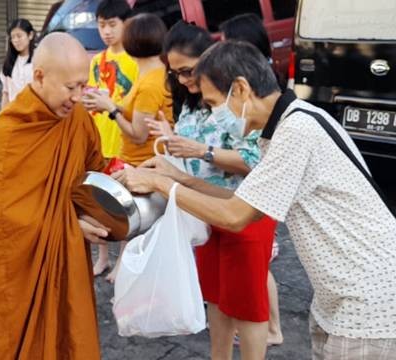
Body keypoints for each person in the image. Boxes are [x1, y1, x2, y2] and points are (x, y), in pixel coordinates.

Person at [113, 41, 396, 360]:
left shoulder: (296, 131)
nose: (213, 116)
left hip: (369, 302)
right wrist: (180, 179)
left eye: (213, 104)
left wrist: (160, 184)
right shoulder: (287, 125)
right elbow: (244, 202)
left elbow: (235, 216)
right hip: (341, 298)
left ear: (241, 89)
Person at [0, 32, 108, 359]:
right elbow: (1, 221)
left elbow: (93, 173)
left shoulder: (78, 119)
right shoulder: (9, 130)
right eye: (69, 87)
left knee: (70, 339)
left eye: (82, 86)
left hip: (68, 259)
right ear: (39, 76)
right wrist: (71, 225)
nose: (77, 97)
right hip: (19, 271)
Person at [146, 21, 274, 359]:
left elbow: (255, 159)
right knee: (216, 297)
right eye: (176, 75)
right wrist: (173, 146)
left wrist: (202, 152)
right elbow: (192, 146)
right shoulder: (190, 101)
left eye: (188, 71)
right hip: (202, 208)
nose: (185, 81)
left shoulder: (236, 102)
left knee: (248, 305)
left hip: (244, 210)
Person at [83, 13, 173, 282]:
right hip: (136, 161)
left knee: (132, 227)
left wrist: (111, 109)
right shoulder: (149, 74)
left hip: (143, 165)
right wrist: (110, 104)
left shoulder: (150, 82)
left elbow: (137, 133)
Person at [220, 12, 284, 347]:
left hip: (255, 195)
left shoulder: (283, 122)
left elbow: (234, 213)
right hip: (253, 193)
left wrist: (168, 186)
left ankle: (270, 327)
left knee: (259, 268)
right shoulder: (275, 103)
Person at [87, 0, 139, 277]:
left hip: (124, 142)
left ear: (125, 24)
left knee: (123, 205)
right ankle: (103, 255)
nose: (106, 31)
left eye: (112, 24)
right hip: (99, 140)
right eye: (101, 25)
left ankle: (122, 260)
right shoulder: (96, 61)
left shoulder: (134, 60)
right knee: (98, 202)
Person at [0, 19, 35, 108]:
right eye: (13, 37)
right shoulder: (9, 62)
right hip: (14, 112)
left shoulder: (39, 58)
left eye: (19, 36)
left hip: (34, 112)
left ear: (30, 35)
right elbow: (6, 92)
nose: (15, 40)